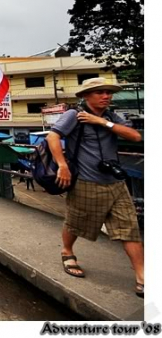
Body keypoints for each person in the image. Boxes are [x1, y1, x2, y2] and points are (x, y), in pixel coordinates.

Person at [47, 78, 143, 297]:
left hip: (116, 182)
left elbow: (135, 136)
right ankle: (67, 250)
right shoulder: (74, 115)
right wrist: (62, 165)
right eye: (99, 92)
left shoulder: (110, 116)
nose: (105, 96)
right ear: (86, 96)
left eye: (108, 92)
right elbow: (53, 137)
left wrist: (103, 123)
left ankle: (142, 275)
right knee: (76, 222)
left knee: (130, 229)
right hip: (87, 181)